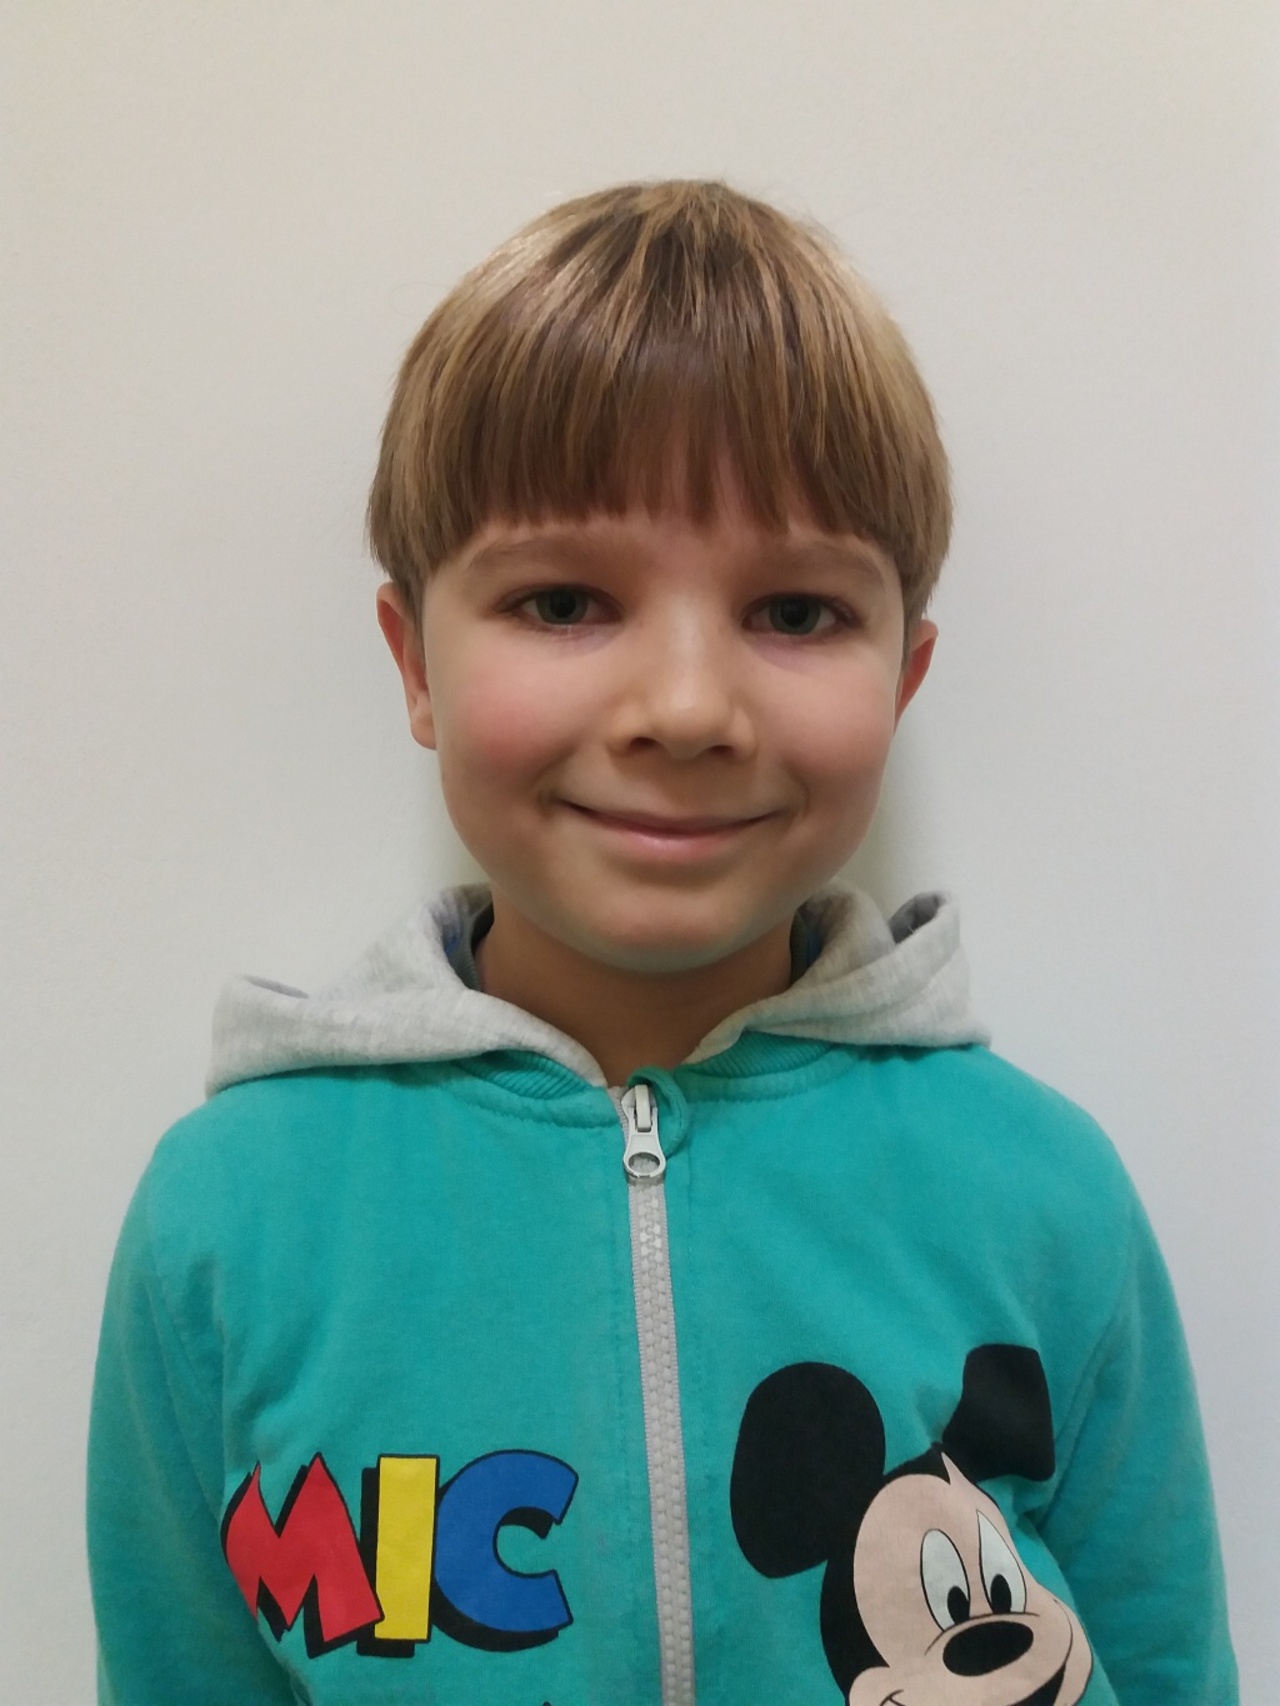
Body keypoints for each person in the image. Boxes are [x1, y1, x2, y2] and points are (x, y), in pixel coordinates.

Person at [87, 180, 1235, 1706]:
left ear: (904, 678)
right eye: (565, 599)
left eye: (797, 611)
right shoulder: (229, 1219)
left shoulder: (1045, 1193)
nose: (687, 708)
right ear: (415, 663)